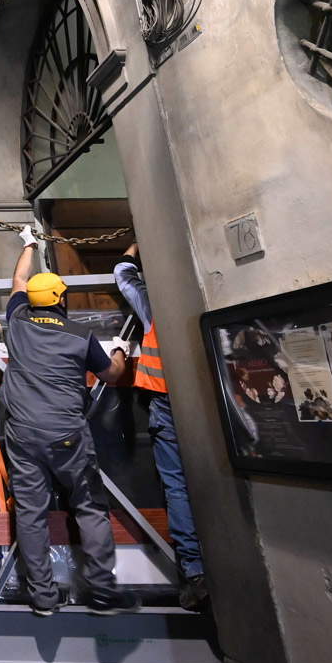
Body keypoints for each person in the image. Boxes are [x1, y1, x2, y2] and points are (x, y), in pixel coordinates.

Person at [2, 228, 137, 615]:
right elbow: (111, 375)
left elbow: (17, 282)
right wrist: (122, 351)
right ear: (61, 300)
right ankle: (101, 591)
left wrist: (28, 246)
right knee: (90, 507)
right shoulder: (80, 335)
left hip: (23, 433)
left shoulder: (18, 323)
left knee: (31, 512)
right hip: (67, 436)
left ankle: (43, 598)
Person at [112, 243, 208, 611]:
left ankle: (197, 572)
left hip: (167, 403)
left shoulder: (156, 305)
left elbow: (123, 277)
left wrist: (135, 247)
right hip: (209, 403)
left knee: (178, 487)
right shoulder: (205, 296)